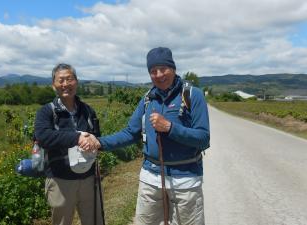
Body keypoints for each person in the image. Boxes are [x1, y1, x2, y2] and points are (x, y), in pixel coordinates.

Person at [83, 47, 210, 225]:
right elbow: (130, 133)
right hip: (151, 177)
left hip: (186, 180)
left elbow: (203, 138)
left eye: (163, 69)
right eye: (153, 71)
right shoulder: (148, 99)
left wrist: (170, 127)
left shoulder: (191, 95)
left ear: (173, 68)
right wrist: (99, 142)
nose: (158, 75)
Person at [34, 63, 103, 225]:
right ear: (53, 85)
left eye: (69, 79)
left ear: (76, 82)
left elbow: (97, 136)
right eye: (61, 80)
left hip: (89, 177)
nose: (65, 84)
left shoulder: (88, 111)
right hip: (60, 180)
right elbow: (44, 137)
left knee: (94, 221)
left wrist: (93, 142)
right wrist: (77, 138)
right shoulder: (46, 112)